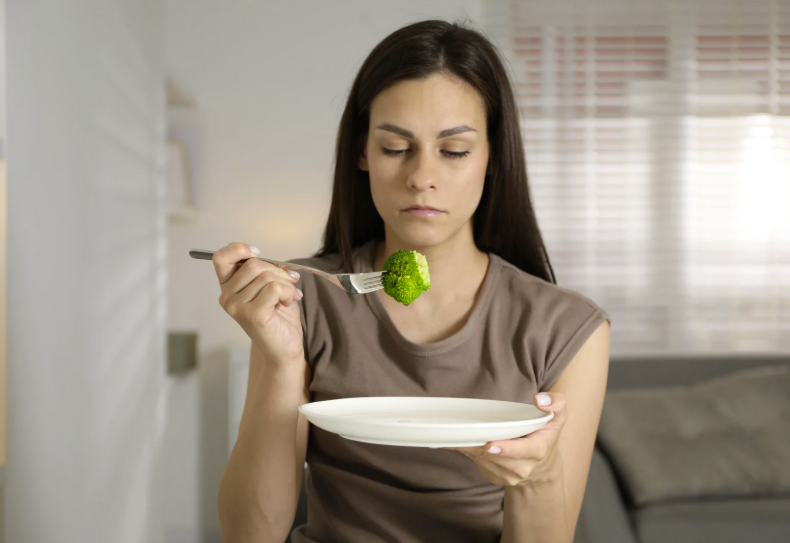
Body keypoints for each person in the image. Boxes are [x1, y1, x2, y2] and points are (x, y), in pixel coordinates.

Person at [213, 19, 610, 543]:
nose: (422, 176)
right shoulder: (302, 298)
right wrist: (284, 359)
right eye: (396, 148)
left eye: (454, 151)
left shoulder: (566, 328)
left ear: (493, 156)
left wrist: (536, 478)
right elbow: (249, 536)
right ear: (362, 154)